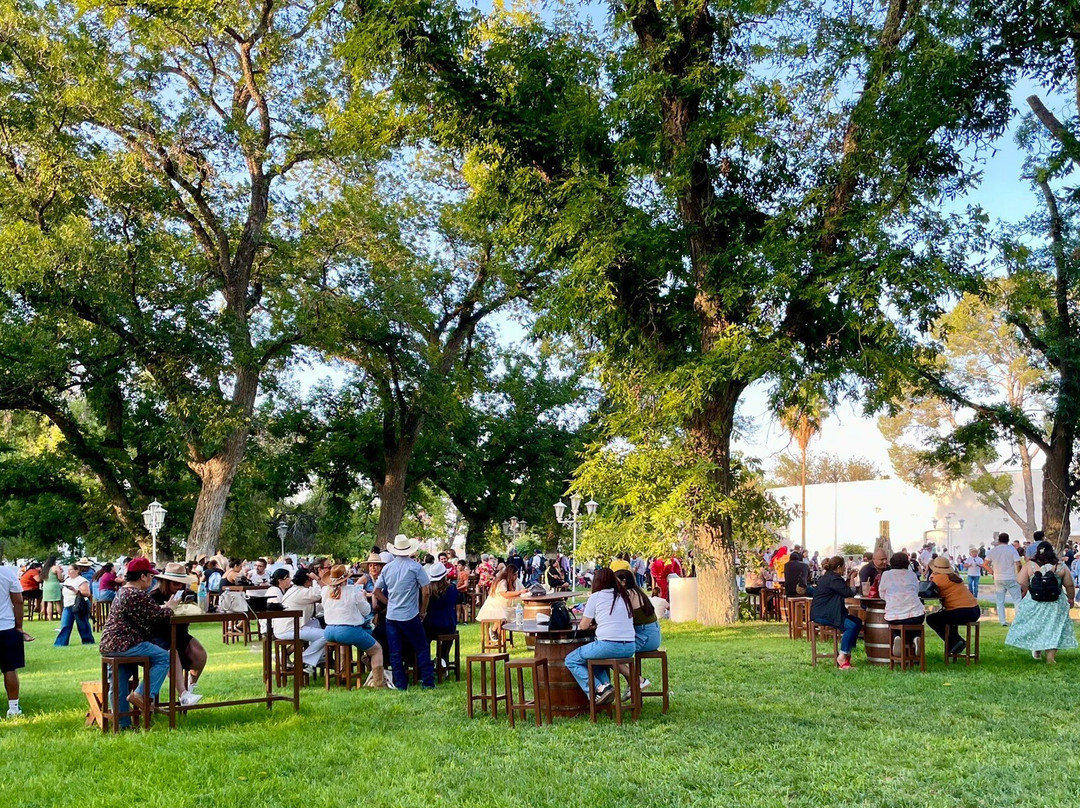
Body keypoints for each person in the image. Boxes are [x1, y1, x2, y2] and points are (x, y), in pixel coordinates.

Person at [100, 557, 184, 721]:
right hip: (127, 643)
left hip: (109, 645)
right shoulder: (137, 594)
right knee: (165, 657)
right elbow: (158, 617)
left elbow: (146, 613)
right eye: (151, 576)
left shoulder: (123, 591)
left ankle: (122, 724)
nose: (152, 579)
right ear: (143, 576)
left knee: (119, 682)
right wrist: (171, 608)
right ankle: (142, 694)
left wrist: (163, 608)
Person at [565, 568, 637, 704]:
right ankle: (606, 686)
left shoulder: (596, 596)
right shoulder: (624, 595)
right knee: (594, 658)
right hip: (629, 646)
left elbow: (583, 626)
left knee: (571, 660)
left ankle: (599, 688)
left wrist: (593, 625)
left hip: (608, 645)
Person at [374, 534, 435, 690]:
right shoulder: (415, 567)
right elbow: (426, 591)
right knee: (421, 647)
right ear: (409, 550)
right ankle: (427, 681)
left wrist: (389, 603)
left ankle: (400, 684)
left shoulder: (387, 568)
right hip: (410, 614)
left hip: (392, 615)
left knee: (395, 651)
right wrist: (423, 610)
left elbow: (376, 591)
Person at [1006, 541, 1078, 664]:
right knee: (1053, 628)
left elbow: (1021, 581)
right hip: (1055, 602)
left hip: (1034, 600)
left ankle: (1037, 651)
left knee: (1036, 625)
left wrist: (1028, 588)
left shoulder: (1030, 565)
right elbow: (1069, 585)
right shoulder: (1060, 566)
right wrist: (1071, 599)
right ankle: (1050, 657)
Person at [148, 563, 205, 704]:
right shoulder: (153, 597)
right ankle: (183, 694)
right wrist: (167, 608)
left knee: (200, 655)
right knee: (172, 653)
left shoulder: (187, 594)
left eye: (182, 583)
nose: (179, 586)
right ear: (165, 582)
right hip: (159, 637)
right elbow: (153, 621)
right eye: (175, 583)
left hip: (180, 634)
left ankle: (191, 685)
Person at [321, 564, 386, 687]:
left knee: (343, 644)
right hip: (348, 630)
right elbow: (366, 611)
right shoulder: (353, 591)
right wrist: (362, 597)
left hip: (329, 630)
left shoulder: (325, 591)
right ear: (346, 578)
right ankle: (379, 683)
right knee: (377, 649)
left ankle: (343, 674)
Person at [272, 568, 326, 675]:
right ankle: (305, 661)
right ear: (307, 580)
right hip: (289, 629)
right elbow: (325, 591)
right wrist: (317, 579)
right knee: (327, 635)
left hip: (288, 626)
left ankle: (319, 657)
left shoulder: (294, 589)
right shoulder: (304, 592)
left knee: (319, 624)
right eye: (310, 580)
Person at [810, 556, 861, 669]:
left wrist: (847, 578)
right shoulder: (834, 579)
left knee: (857, 622)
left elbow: (841, 589)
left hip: (824, 611)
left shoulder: (829, 577)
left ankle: (847, 653)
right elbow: (849, 592)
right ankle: (842, 657)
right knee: (851, 626)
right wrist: (852, 578)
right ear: (838, 567)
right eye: (843, 566)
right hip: (825, 614)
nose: (844, 568)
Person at [613, 569, 659, 696]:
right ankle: (633, 683)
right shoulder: (637, 591)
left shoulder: (628, 594)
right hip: (651, 634)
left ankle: (638, 681)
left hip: (645, 636)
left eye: (614, 581)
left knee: (612, 654)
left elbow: (620, 618)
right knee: (617, 653)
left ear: (623, 582)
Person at [926, 556, 981, 655]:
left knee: (932, 619)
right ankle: (955, 644)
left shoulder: (938, 578)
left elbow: (927, 591)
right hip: (974, 610)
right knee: (945, 618)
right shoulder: (954, 576)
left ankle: (956, 642)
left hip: (960, 611)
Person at [1, 563, 34, 717]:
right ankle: (13, 708)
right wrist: (19, 626)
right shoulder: (7, 573)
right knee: (10, 669)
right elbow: (18, 601)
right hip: (6, 626)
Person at [878, 552, 926, 658]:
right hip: (916, 614)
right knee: (914, 623)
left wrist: (890, 599)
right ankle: (916, 637)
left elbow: (881, 593)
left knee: (897, 624)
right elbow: (916, 591)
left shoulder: (886, 574)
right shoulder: (912, 574)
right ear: (907, 563)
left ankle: (897, 636)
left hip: (894, 615)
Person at [475, 563, 529, 642]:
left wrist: (526, 591)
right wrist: (519, 592)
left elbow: (522, 589)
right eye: (515, 574)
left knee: (519, 612)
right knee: (503, 614)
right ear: (511, 574)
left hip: (505, 606)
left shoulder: (516, 580)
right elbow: (505, 594)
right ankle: (493, 630)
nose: (516, 576)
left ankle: (524, 631)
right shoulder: (502, 582)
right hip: (493, 606)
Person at [422, 562, 458, 674]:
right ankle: (442, 657)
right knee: (449, 637)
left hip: (429, 626)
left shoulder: (427, 591)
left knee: (424, 639)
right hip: (448, 625)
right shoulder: (452, 589)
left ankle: (425, 662)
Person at [985, 532, 1022, 626]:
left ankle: (1002, 621)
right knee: (1017, 599)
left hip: (998, 578)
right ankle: (1018, 620)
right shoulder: (1012, 550)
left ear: (999, 540)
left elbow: (985, 564)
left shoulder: (994, 551)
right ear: (1008, 540)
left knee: (1000, 600)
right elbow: (1018, 563)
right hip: (1010, 577)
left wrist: (992, 572)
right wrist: (1019, 573)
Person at [55, 564, 94, 646]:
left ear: (77, 571)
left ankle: (88, 641)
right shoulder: (67, 580)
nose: (69, 572)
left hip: (78, 604)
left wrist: (76, 591)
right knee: (65, 625)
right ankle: (61, 643)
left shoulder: (81, 580)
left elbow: (87, 593)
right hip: (67, 605)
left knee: (82, 625)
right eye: (68, 570)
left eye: (71, 570)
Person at [40, 556, 62, 621]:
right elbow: (60, 578)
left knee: (49, 603)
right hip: (54, 585)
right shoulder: (55, 568)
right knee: (57, 602)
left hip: (46, 586)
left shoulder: (45, 569)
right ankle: (61, 616)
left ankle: (50, 618)